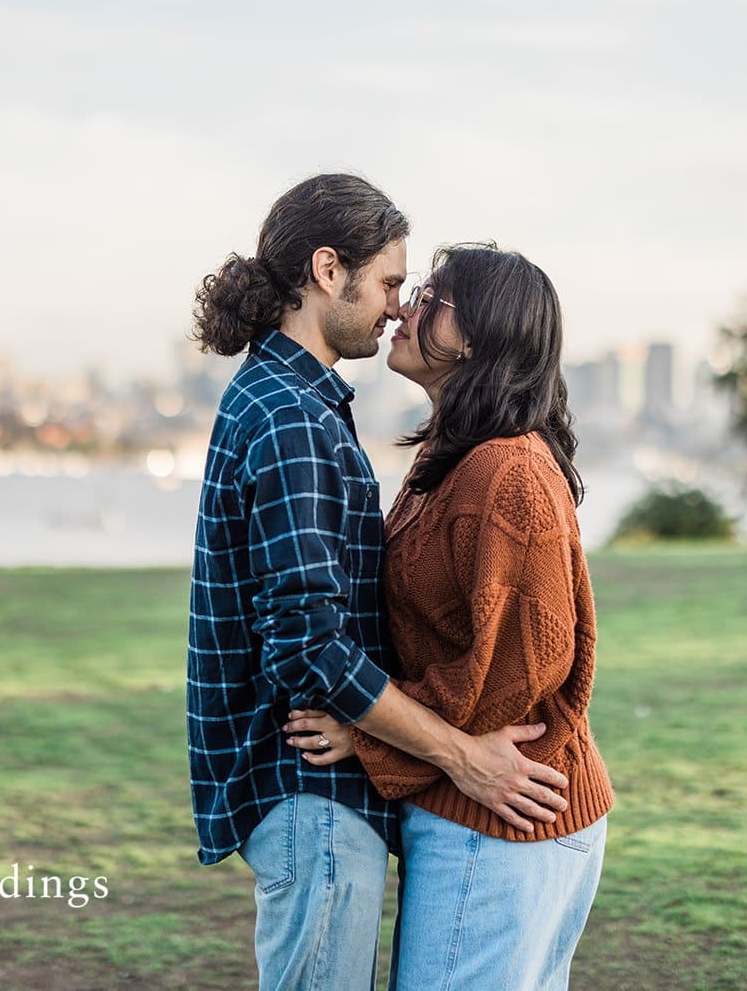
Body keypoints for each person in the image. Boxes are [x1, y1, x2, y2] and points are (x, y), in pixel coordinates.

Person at [188, 180, 572, 991]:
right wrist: (459, 754)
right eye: (392, 282)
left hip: (327, 793)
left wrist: (375, 738)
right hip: (309, 790)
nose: (398, 307)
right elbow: (308, 644)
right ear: (329, 270)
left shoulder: (301, 405)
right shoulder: (293, 417)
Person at [284, 243, 614, 990]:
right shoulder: (455, 456)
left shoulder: (507, 472)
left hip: (506, 822)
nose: (404, 306)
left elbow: (516, 672)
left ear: (477, 336)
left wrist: (371, 733)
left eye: (433, 298)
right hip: (484, 819)